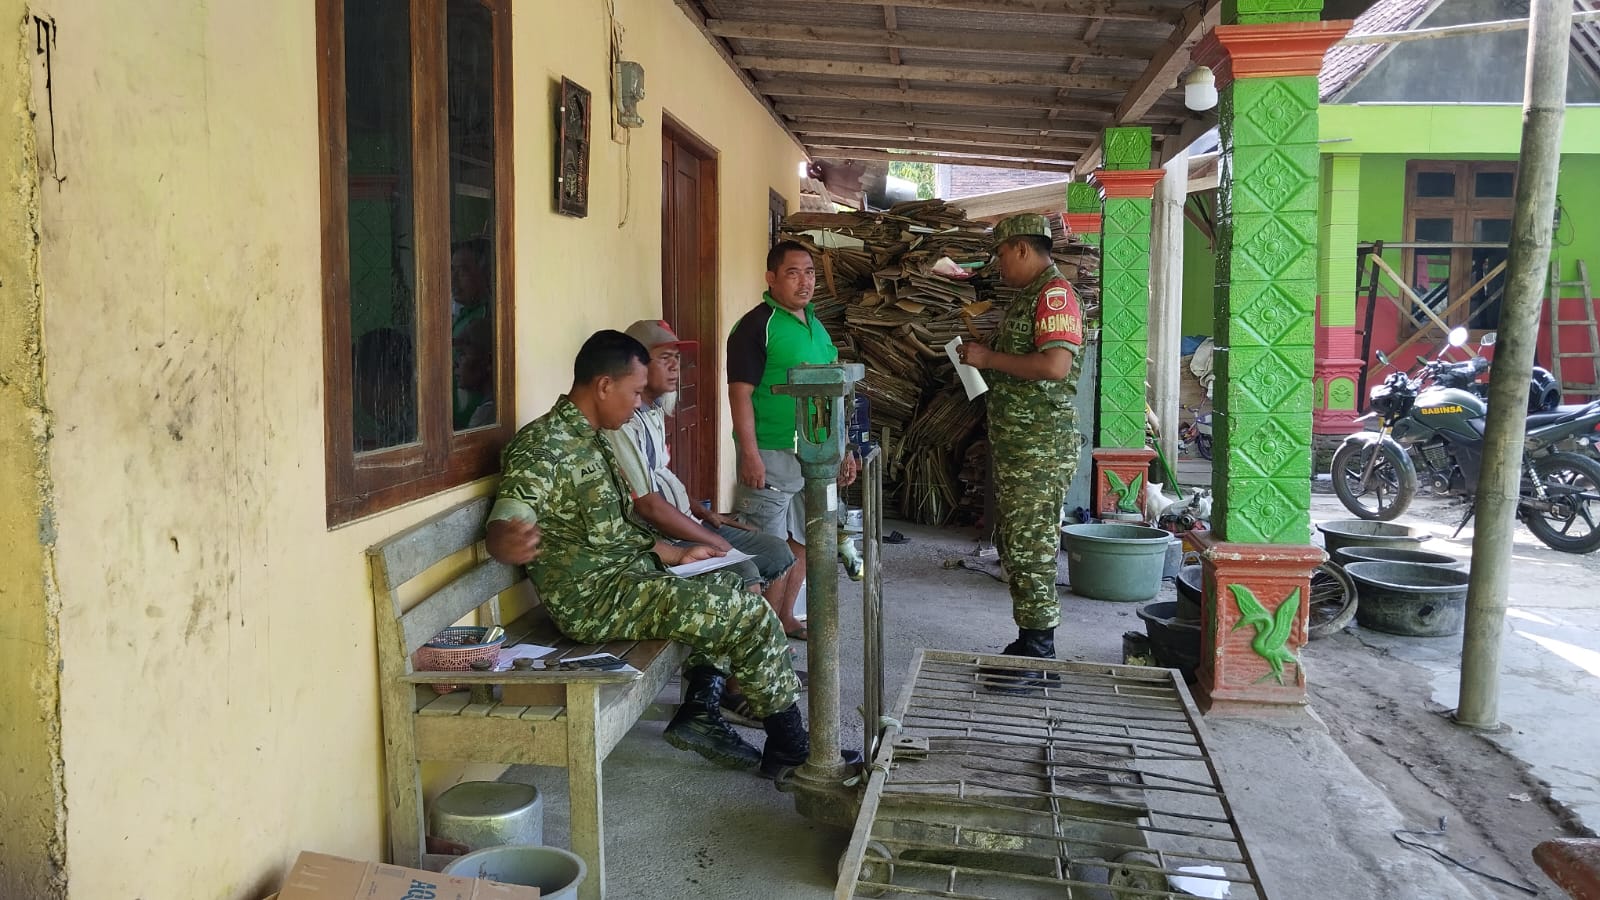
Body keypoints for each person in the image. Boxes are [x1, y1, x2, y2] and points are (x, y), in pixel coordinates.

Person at [484, 330, 810, 777]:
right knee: (742, 612)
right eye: (635, 391)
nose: (640, 402)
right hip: (593, 601)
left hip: (628, 577)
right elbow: (507, 518)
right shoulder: (544, 447)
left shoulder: (596, 439)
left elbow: (616, 531)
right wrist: (507, 540)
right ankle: (791, 748)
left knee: (730, 578)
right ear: (604, 386)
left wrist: (678, 555)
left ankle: (701, 712)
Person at [955, 214, 1084, 671]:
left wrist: (989, 357)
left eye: (1002, 253)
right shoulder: (1028, 297)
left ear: (1023, 249)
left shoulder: (1053, 294)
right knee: (1016, 543)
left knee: (1031, 546)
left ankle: (1039, 653)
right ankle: (1029, 639)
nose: (999, 263)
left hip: (1040, 449)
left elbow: (1054, 366)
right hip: (1021, 446)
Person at [605, 319, 798, 599]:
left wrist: (705, 514)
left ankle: (773, 635)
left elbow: (662, 477)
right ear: (636, 364)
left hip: (687, 521)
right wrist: (712, 539)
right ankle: (753, 639)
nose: (675, 367)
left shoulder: (654, 411)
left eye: (677, 358)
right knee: (744, 572)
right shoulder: (624, 421)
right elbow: (649, 506)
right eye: (664, 358)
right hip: (662, 535)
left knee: (776, 549)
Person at [727, 241, 859, 641]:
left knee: (803, 541)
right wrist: (749, 454)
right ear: (771, 278)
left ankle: (784, 619)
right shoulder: (756, 325)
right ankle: (761, 648)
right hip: (770, 453)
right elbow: (740, 394)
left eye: (811, 273)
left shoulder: (815, 325)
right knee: (767, 552)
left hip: (814, 454)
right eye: (793, 273)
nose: (805, 282)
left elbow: (834, 391)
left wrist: (843, 448)